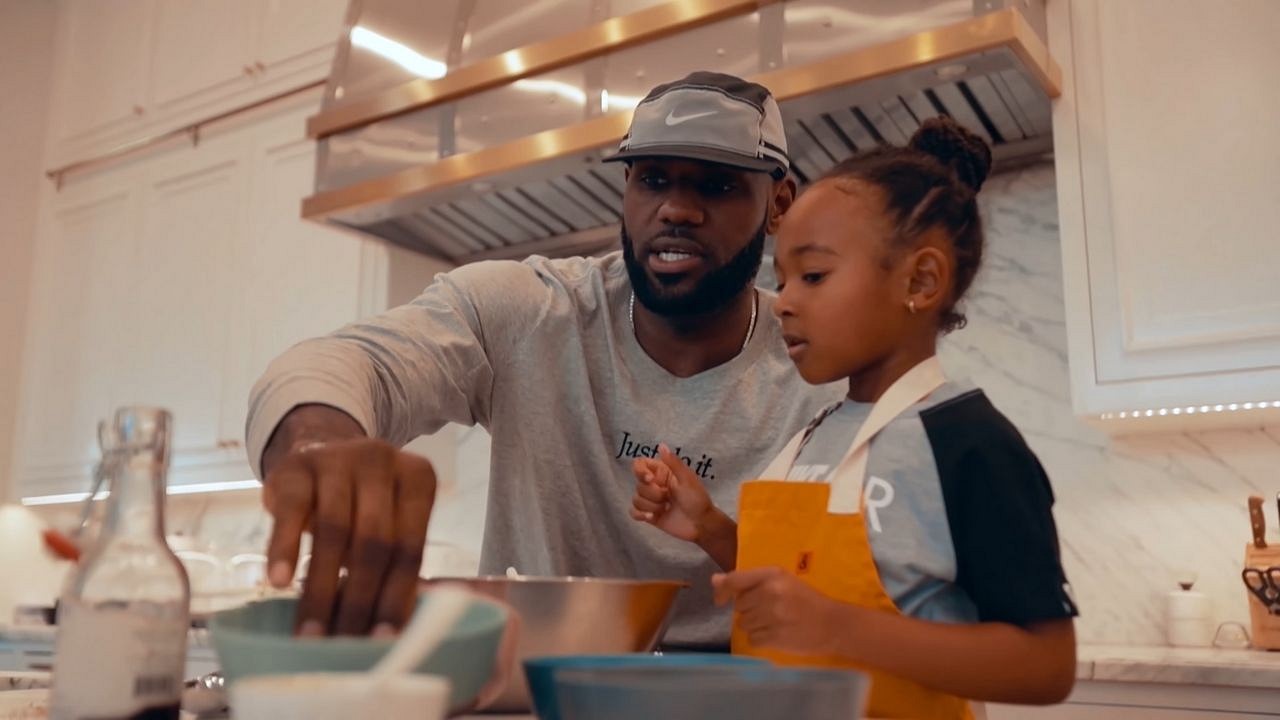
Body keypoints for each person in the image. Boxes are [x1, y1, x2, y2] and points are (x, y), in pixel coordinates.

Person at [245, 71, 842, 642]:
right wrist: (317, 440)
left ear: (779, 205)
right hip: (527, 684)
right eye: (653, 180)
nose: (677, 210)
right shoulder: (529, 312)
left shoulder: (824, 362)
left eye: (716, 184)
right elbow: (358, 362)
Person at [630, 117, 1078, 717]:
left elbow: (1047, 665)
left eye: (813, 276)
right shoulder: (818, 432)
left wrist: (840, 628)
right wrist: (709, 527)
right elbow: (792, 593)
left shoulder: (968, 443)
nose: (784, 301)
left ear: (920, 280)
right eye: (782, 279)